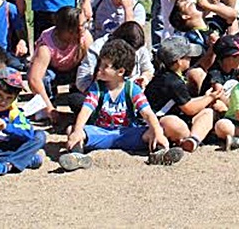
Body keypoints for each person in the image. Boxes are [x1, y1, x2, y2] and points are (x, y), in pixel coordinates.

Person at [62, 39, 179, 170]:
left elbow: (147, 113)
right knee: (72, 130)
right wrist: (78, 131)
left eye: (105, 66)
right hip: (101, 133)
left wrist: (157, 132)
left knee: (154, 131)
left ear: (121, 71)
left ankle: (160, 154)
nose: (100, 68)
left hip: (127, 133)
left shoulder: (132, 89)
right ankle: (77, 157)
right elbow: (86, 109)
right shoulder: (97, 88)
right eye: (100, 64)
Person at [145, 37, 226, 153]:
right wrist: (210, 97)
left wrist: (206, 98)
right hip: (160, 121)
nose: (190, 59)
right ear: (178, 61)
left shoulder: (166, 75)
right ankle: (185, 137)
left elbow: (187, 102)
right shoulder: (172, 81)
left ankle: (193, 140)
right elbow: (189, 108)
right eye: (188, 57)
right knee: (172, 122)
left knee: (208, 113)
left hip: (176, 116)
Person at [27, 5, 92, 121]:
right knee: (44, 78)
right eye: (82, 26)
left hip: (76, 71)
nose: (84, 28)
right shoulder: (46, 45)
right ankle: (46, 104)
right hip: (54, 72)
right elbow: (34, 79)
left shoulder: (85, 37)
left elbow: (94, 65)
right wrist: (49, 107)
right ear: (70, 29)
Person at [75, 21, 154, 110]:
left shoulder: (139, 47)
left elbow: (148, 70)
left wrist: (144, 79)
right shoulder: (97, 48)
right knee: (77, 100)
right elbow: (82, 81)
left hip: (133, 94)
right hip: (102, 95)